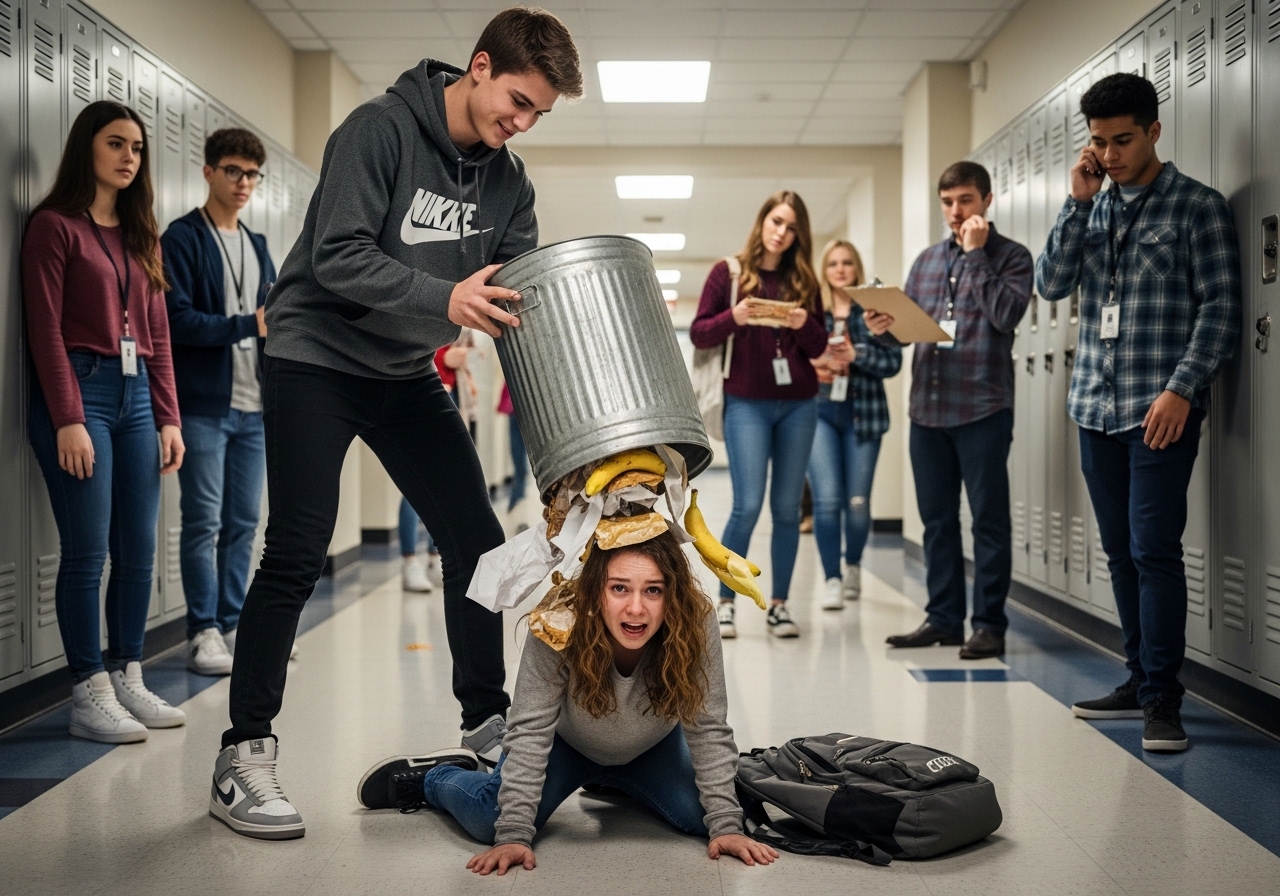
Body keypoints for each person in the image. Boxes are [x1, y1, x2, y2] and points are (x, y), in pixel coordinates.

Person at [208, 7, 582, 841]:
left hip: (404, 371)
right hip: (315, 354)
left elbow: (514, 302)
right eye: (517, 101)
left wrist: (571, 439)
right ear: (479, 67)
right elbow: (337, 254)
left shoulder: (510, 184)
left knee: (477, 541)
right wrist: (446, 298)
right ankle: (243, 755)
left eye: (538, 113)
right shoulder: (378, 130)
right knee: (298, 547)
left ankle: (486, 723)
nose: (522, 123)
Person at [355, 531, 778, 875]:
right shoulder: (559, 621)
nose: (636, 608)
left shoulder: (695, 619)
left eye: (654, 590)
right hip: (565, 745)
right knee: (491, 821)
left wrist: (726, 824)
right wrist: (513, 833)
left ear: (673, 594)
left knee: (708, 817)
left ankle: (615, 781)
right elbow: (530, 726)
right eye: (619, 588)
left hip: (651, 747)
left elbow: (708, 723)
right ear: (595, 590)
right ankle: (436, 777)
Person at [1036, 73, 1241, 752]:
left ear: (1154, 130)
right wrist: (1076, 203)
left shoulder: (1197, 207)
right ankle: (1137, 677)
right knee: (1121, 552)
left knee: (1154, 551)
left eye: (1122, 140)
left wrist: (1183, 388)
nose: (1110, 154)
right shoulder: (1092, 207)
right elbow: (1051, 284)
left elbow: (1221, 308)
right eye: (1099, 142)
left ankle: (1163, 700)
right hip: (1094, 406)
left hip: (1159, 410)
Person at [22, 100, 187, 742]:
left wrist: (169, 417)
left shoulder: (141, 232)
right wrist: (67, 417)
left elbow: (159, 335)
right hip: (81, 393)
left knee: (138, 550)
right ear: (86, 148)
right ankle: (87, 690)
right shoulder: (54, 226)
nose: (129, 157)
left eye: (137, 147)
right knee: (88, 552)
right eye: (116, 143)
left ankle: (127, 674)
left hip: (137, 395)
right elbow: (44, 330)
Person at [881, 161, 1033, 660]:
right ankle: (944, 619)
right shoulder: (926, 261)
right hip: (928, 409)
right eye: (947, 202)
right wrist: (886, 326)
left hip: (982, 408)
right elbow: (910, 331)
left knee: (988, 521)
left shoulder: (1012, 256)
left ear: (986, 200)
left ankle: (988, 625)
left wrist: (974, 255)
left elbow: (1005, 315)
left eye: (965, 200)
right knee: (937, 521)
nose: (955, 211)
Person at [162, 128, 278, 676]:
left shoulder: (257, 244)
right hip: (203, 406)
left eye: (252, 174)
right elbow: (176, 321)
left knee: (243, 523)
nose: (243, 183)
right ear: (208, 172)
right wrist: (247, 324)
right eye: (233, 171)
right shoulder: (182, 238)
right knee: (203, 522)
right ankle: (202, 631)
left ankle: (234, 624)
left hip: (254, 407)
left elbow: (276, 317)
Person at [690, 191, 827, 640]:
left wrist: (803, 324)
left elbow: (819, 347)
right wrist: (735, 316)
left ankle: (780, 607)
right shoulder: (728, 273)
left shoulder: (804, 281)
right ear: (762, 221)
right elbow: (700, 333)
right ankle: (727, 603)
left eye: (791, 227)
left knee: (787, 509)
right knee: (747, 505)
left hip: (799, 404)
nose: (781, 232)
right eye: (776, 221)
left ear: (799, 235)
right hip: (746, 403)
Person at [807, 240, 901, 610]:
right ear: (824, 270)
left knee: (858, 503)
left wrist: (856, 354)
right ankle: (831, 578)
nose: (841, 269)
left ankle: (854, 566)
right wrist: (818, 364)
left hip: (864, 414)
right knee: (828, 501)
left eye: (847, 262)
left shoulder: (874, 310)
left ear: (856, 267)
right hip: (820, 414)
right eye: (833, 263)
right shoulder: (814, 312)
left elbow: (893, 363)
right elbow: (796, 357)